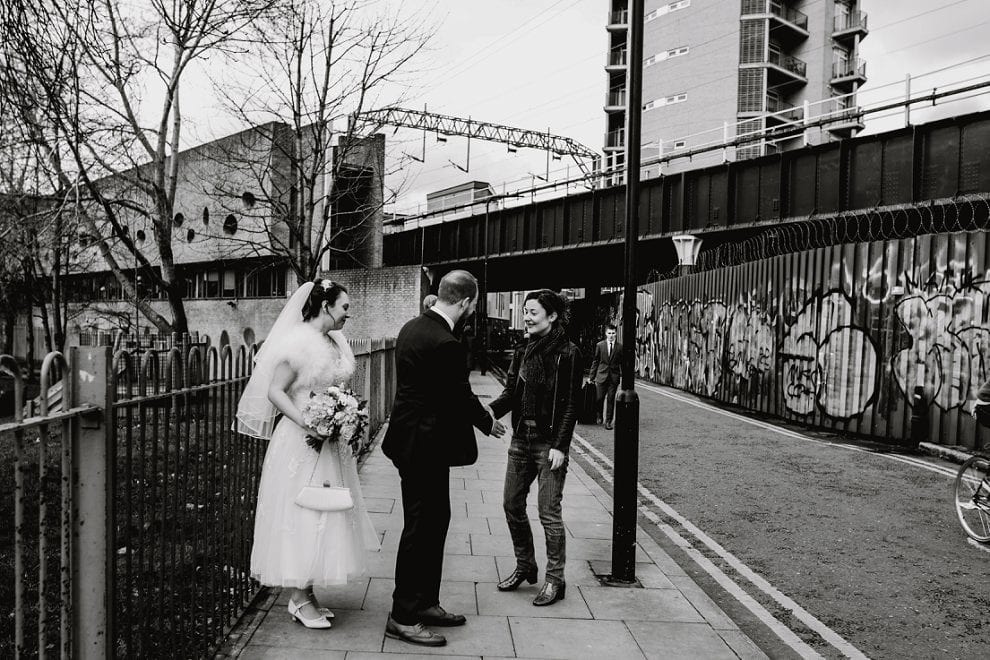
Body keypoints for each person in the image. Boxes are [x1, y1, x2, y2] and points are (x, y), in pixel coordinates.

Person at [234, 279, 379, 630]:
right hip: (301, 441)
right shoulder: (297, 342)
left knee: (325, 513)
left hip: (329, 442)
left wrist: (345, 418)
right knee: (302, 512)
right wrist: (308, 421)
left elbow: (335, 388)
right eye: (344, 306)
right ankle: (297, 598)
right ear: (326, 305)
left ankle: (308, 591)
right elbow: (274, 390)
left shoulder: (335, 341)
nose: (349, 313)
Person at [382, 269, 507, 647]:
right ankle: (403, 615)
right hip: (424, 446)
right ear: (467, 302)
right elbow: (457, 395)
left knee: (435, 520)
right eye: (473, 304)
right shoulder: (446, 342)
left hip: (411, 441)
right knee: (422, 526)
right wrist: (487, 422)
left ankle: (425, 603)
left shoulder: (412, 328)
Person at [488, 289, 583, 607]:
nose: (526, 317)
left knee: (548, 514)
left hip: (548, 444)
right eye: (525, 311)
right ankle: (525, 564)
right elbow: (510, 394)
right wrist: (485, 413)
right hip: (520, 440)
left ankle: (555, 580)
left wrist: (561, 446)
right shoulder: (522, 350)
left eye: (532, 312)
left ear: (552, 316)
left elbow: (571, 404)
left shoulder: (568, 353)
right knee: (511, 505)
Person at [588, 324, 624, 429]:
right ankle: (599, 415)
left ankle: (608, 421)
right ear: (605, 334)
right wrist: (591, 376)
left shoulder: (620, 347)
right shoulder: (600, 345)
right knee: (599, 398)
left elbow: (622, 363)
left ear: (616, 333)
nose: (611, 335)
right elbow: (596, 361)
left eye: (613, 333)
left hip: (613, 377)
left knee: (611, 399)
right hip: (601, 375)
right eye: (609, 333)